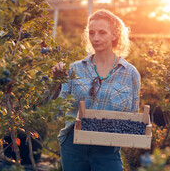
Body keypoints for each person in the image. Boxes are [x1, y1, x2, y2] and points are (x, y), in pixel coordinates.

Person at [53, 10, 141, 171]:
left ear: (114, 35)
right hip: (74, 145)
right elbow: (57, 110)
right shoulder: (75, 69)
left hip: (107, 147)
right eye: (92, 33)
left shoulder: (129, 73)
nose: (96, 38)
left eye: (102, 32)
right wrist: (57, 82)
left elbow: (132, 117)